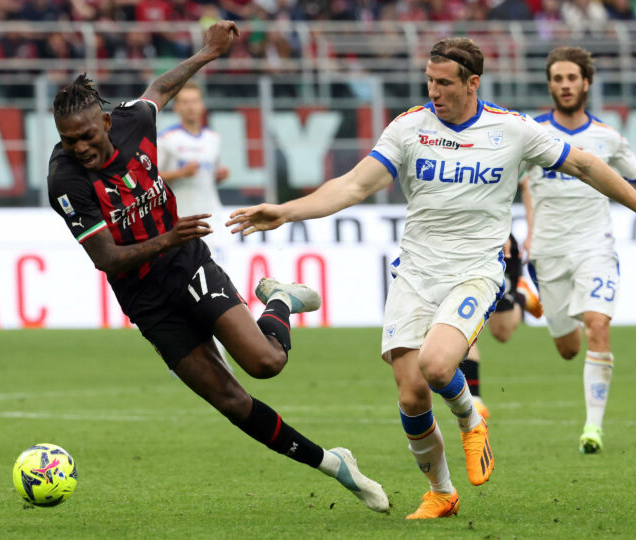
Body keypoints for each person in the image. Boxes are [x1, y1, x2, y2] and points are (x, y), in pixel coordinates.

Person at [227, 37, 636, 519]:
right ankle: (441, 492)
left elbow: (585, 164)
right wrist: (286, 211)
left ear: (473, 83)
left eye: (444, 83)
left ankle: (471, 418)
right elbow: (353, 185)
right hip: (415, 272)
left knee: (437, 366)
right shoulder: (409, 127)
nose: (433, 91)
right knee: (411, 393)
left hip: (475, 271)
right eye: (429, 81)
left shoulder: (512, 129)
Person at [46, 21, 389, 514]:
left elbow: (161, 87)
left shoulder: (133, 121)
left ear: (104, 121)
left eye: (84, 136)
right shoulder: (66, 180)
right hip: (144, 297)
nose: (79, 148)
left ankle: (279, 300)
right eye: (68, 140)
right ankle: (333, 464)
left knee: (266, 364)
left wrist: (208, 51)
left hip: (186, 263)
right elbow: (106, 258)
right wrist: (168, 235)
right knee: (230, 401)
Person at [518, 46, 636, 454]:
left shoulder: (608, 137)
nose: (565, 85)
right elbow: (517, 183)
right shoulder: (530, 134)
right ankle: (544, 303)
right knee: (568, 349)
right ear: (549, 84)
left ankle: (592, 429)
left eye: (571, 78)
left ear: (586, 82)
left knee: (598, 324)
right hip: (547, 252)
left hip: (594, 245)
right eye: (557, 79)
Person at [460, 233, 543, 420]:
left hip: (494, 246)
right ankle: (474, 399)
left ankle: (521, 294)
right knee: (459, 324)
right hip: (455, 250)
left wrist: (504, 233)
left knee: (501, 333)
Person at [158, 81, 231, 261]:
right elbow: (149, 178)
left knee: (219, 271)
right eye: (185, 102)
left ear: (202, 105)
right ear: (176, 108)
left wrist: (219, 176)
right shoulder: (166, 139)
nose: (191, 107)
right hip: (180, 221)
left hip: (211, 219)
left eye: (194, 101)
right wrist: (180, 173)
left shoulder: (213, 138)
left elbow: (210, 175)